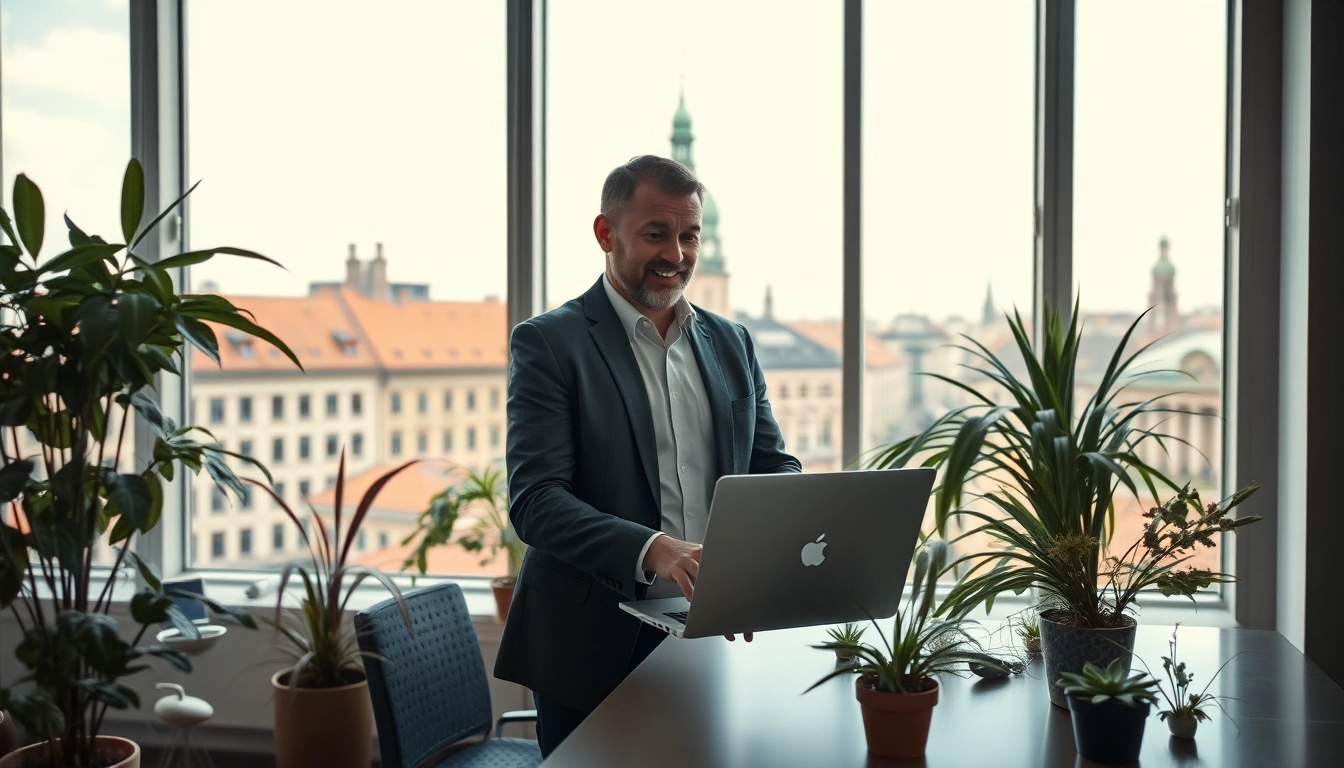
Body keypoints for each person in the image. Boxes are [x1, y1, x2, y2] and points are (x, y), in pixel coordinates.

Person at [494, 155, 801, 756]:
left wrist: (769, 543)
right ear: (606, 234)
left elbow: (772, 465)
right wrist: (654, 550)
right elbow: (536, 502)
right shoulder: (549, 344)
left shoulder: (732, 343)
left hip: (712, 629)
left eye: (689, 235)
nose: (677, 254)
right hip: (590, 643)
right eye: (655, 233)